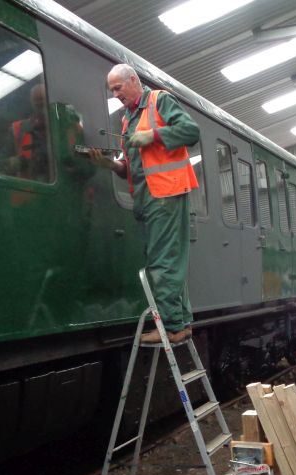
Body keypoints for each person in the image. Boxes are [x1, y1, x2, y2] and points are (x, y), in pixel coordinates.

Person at [88, 64, 199, 344]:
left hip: (166, 194)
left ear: (134, 81)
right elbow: (131, 167)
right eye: (111, 90)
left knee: (161, 264)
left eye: (118, 88)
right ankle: (182, 323)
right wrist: (109, 164)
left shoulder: (158, 100)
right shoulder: (128, 120)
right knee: (166, 262)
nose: (115, 95)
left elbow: (190, 131)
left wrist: (154, 135)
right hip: (148, 198)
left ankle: (172, 327)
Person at [5, 83, 51, 180]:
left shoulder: (68, 127)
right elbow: (1, 162)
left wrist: (78, 164)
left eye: (42, 99)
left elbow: (86, 154)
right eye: (36, 100)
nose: (40, 103)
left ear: (50, 100)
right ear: (31, 102)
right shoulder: (17, 128)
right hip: (28, 188)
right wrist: (12, 163)